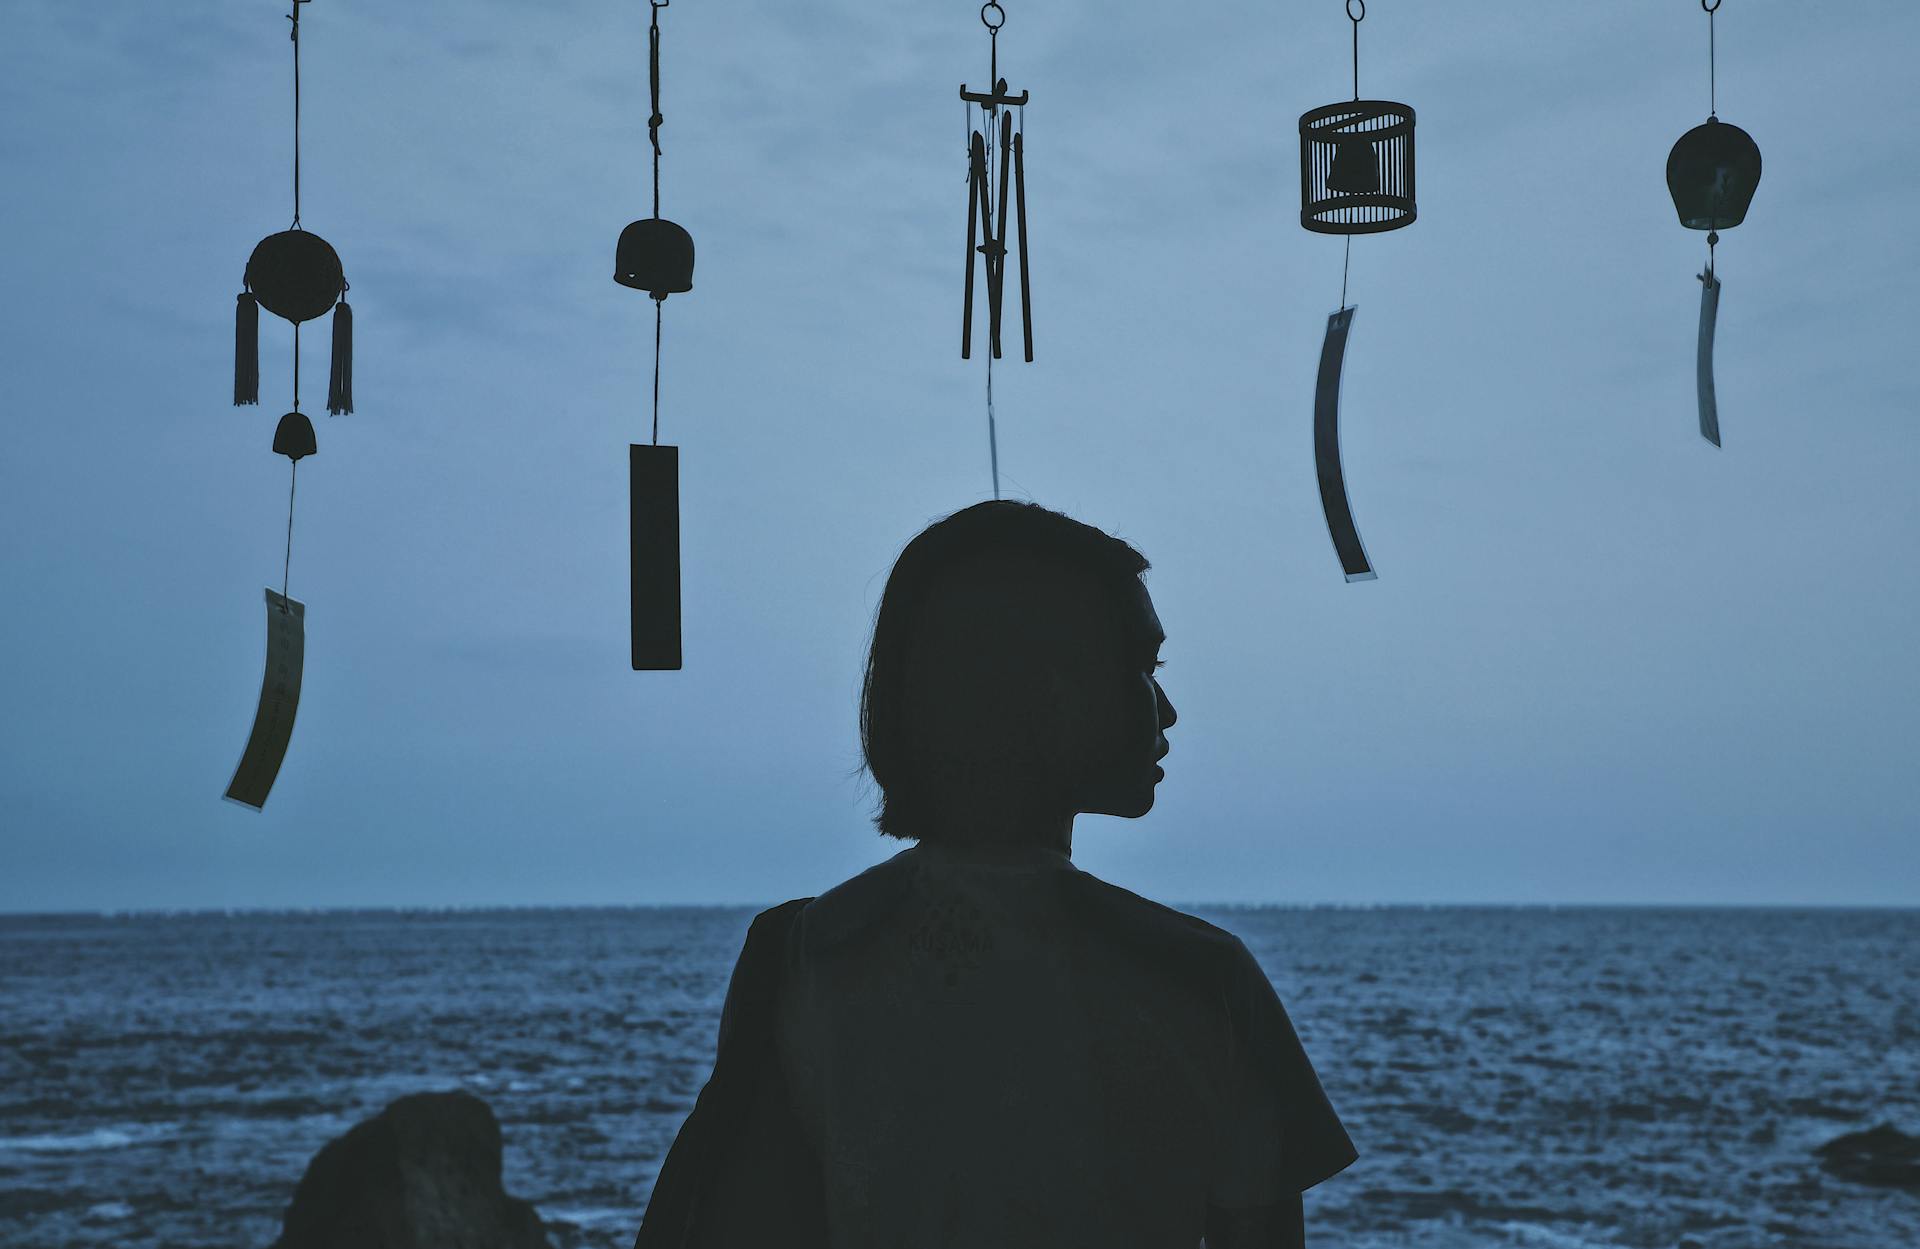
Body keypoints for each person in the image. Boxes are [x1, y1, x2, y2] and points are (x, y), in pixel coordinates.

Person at [635, 501, 1355, 1249]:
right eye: (1141, 665)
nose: (1166, 708)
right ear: (1048, 688)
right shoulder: (1205, 979)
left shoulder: (804, 959)